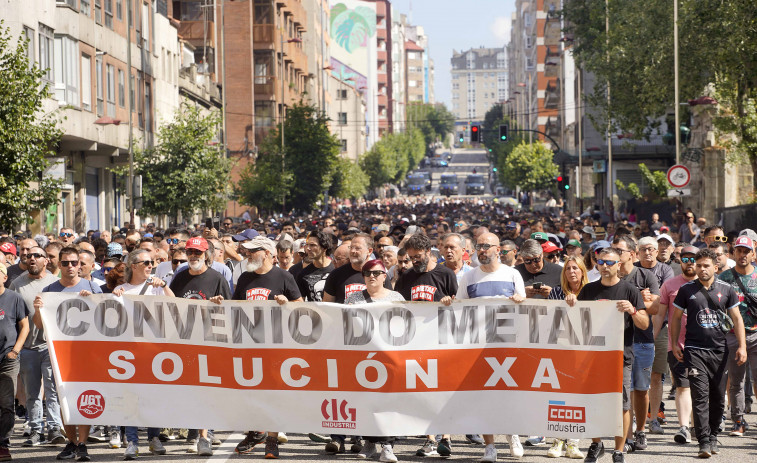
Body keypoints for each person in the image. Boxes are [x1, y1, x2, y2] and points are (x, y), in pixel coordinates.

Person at [568, 247, 648, 463]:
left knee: (621, 404)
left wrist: (632, 310)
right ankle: (596, 443)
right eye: (601, 262)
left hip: (620, 356)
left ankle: (619, 450)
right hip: (592, 356)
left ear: (619, 265)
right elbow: (576, 323)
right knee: (592, 402)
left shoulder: (630, 290)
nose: (604, 266)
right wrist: (572, 305)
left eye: (610, 262)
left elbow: (644, 323)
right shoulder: (588, 290)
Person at [227, 236, 302, 459]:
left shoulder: (284, 276)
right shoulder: (244, 278)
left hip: (276, 346)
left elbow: (301, 306)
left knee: (273, 393)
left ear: (268, 253)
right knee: (250, 392)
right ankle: (255, 432)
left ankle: (271, 438)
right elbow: (235, 307)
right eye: (247, 251)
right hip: (249, 345)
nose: (248, 254)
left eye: (253, 251)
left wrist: (286, 304)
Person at [455, 233, 525, 463]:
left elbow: (527, 308)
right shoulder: (469, 277)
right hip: (478, 348)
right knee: (483, 396)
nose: (482, 250)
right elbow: (460, 309)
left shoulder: (513, 274)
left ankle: (511, 432)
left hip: (508, 347)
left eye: (486, 246)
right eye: (478, 246)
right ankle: (490, 446)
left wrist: (518, 301)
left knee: (509, 394)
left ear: (498, 250)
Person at [670, 248, 746, 458]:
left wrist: (742, 346)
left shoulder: (727, 289)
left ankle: (713, 436)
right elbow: (676, 318)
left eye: (706, 266)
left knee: (718, 397)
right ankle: (703, 440)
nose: (701, 269)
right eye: (698, 265)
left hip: (720, 351)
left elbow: (737, 318)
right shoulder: (686, 290)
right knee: (700, 396)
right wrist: (675, 343)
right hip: (694, 351)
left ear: (715, 267)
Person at [33, 246, 103, 461]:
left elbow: (104, 320)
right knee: (64, 399)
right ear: (59, 264)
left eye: (75, 263)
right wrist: (37, 309)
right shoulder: (50, 290)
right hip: (59, 354)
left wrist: (92, 301)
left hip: (87, 353)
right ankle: (72, 442)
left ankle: (82, 443)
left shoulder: (93, 287)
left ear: (81, 265)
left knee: (84, 397)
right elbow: (40, 325)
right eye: (66, 263)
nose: (71, 267)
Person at [168, 237, 231, 456]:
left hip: (209, 341)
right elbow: (170, 306)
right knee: (190, 389)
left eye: (198, 252)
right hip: (184, 341)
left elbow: (231, 309)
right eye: (190, 252)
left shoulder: (216, 278)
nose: (193, 256)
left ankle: (204, 436)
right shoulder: (179, 277)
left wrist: (219, 305)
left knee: (206, 389)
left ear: (206, 254)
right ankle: (197, 432)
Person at [112, 250, 173, 459]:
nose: (150, 265)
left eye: (152, 262)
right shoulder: (121, 289)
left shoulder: (157, 287)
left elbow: (175, 306)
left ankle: (154, 437)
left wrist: (164, 286)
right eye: (146, 262)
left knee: (153, 396)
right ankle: (132, 441)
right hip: (129, 352)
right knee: (131, 397)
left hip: (153, 350)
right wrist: (115, 298)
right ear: (134, 265)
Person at [8, 246, 64, 447]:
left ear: (46, 261)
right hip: (27, 347)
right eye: (28, 255)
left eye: (37, 256)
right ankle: (35, 429)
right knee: (31, 392)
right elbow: (10, 313)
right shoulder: (17, 283)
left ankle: (55, 428)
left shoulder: (54, 283)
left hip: (50, 346)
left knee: (52, 390)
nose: (31, 258)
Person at [612, 235, 660, 452]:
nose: (614, 255)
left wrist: (637, 303)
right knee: (623, 390)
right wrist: (642, 300)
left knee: (640, 389)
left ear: (631, 254)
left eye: (618, 251)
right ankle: (627, 437)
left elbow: (655, 308)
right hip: (616, 341)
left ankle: (640, 431)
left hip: (642, 341)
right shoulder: (609, 276)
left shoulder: (646, 275)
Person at [654, 245, 699, 444]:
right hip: (678, 344)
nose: (689, 263)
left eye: (693, 259)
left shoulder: (710, 284)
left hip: (705, 345)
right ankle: (684, 427)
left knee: (702, 388)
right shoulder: (670, 285)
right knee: (683, 386)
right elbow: (660, 316)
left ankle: (699, 425)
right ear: (679, 260)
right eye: (685, 258)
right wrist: (653, 338)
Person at [544, 256, 588, 459]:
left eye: (575, 268)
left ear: (582, 271)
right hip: (560, 350)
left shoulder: (590, 291)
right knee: (559, 398)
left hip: (584, 352)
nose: (571, 272)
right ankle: (557, 440)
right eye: (568, 268)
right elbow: (552, 321)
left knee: (578, 397)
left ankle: (573, 443)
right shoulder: (556, 291)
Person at [716, 236, 757, 437]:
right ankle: (738, 421)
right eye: (739, 251)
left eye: (746, 251)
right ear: (733, 253)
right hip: (731, 336)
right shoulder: (724, 278)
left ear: (753, 253)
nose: (743, 254)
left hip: (756, 334)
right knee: (736, 381)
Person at [0, 265, 30, 461]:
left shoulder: (14, 298)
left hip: (7, 359)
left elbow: (24, 326)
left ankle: (3, 443)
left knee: (5, 403)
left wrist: (15, 351)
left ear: (4, 277)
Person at [296, 231, 334, 302]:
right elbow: (300, 303)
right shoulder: (303, 274)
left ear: (324, 247)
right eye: (307, 245)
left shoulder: (336, 269)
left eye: (312, 245)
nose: (308, 248)